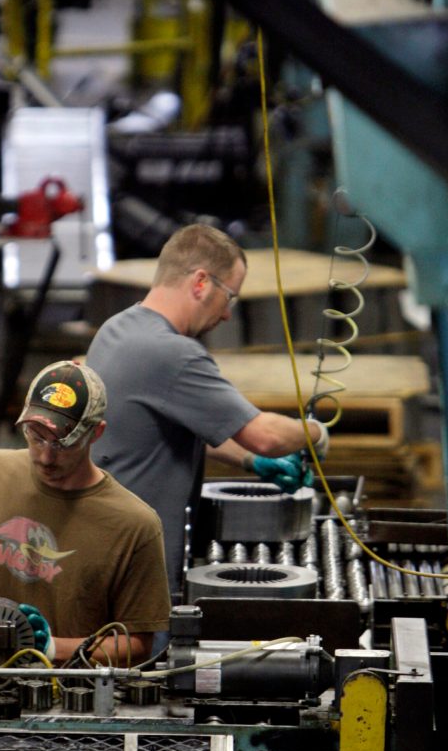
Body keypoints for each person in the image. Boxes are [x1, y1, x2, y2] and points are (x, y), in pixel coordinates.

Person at [85, 223, 330, 596]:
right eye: (230, 297)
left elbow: (173, 428)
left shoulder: (117, 330)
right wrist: (315, 432)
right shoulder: (174, 355)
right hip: (136, 566)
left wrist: (250, 462)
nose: (228, 314)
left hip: (102, 547)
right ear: (201, 283)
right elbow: (265, 435)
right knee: (138, 653)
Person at [0, 361, 171, 665]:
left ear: (96, 433)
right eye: (35, 436)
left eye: (62, 443)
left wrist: (53, 648)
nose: (45, 456)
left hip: (68, 695)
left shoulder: (135, 525)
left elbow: (136, 645)